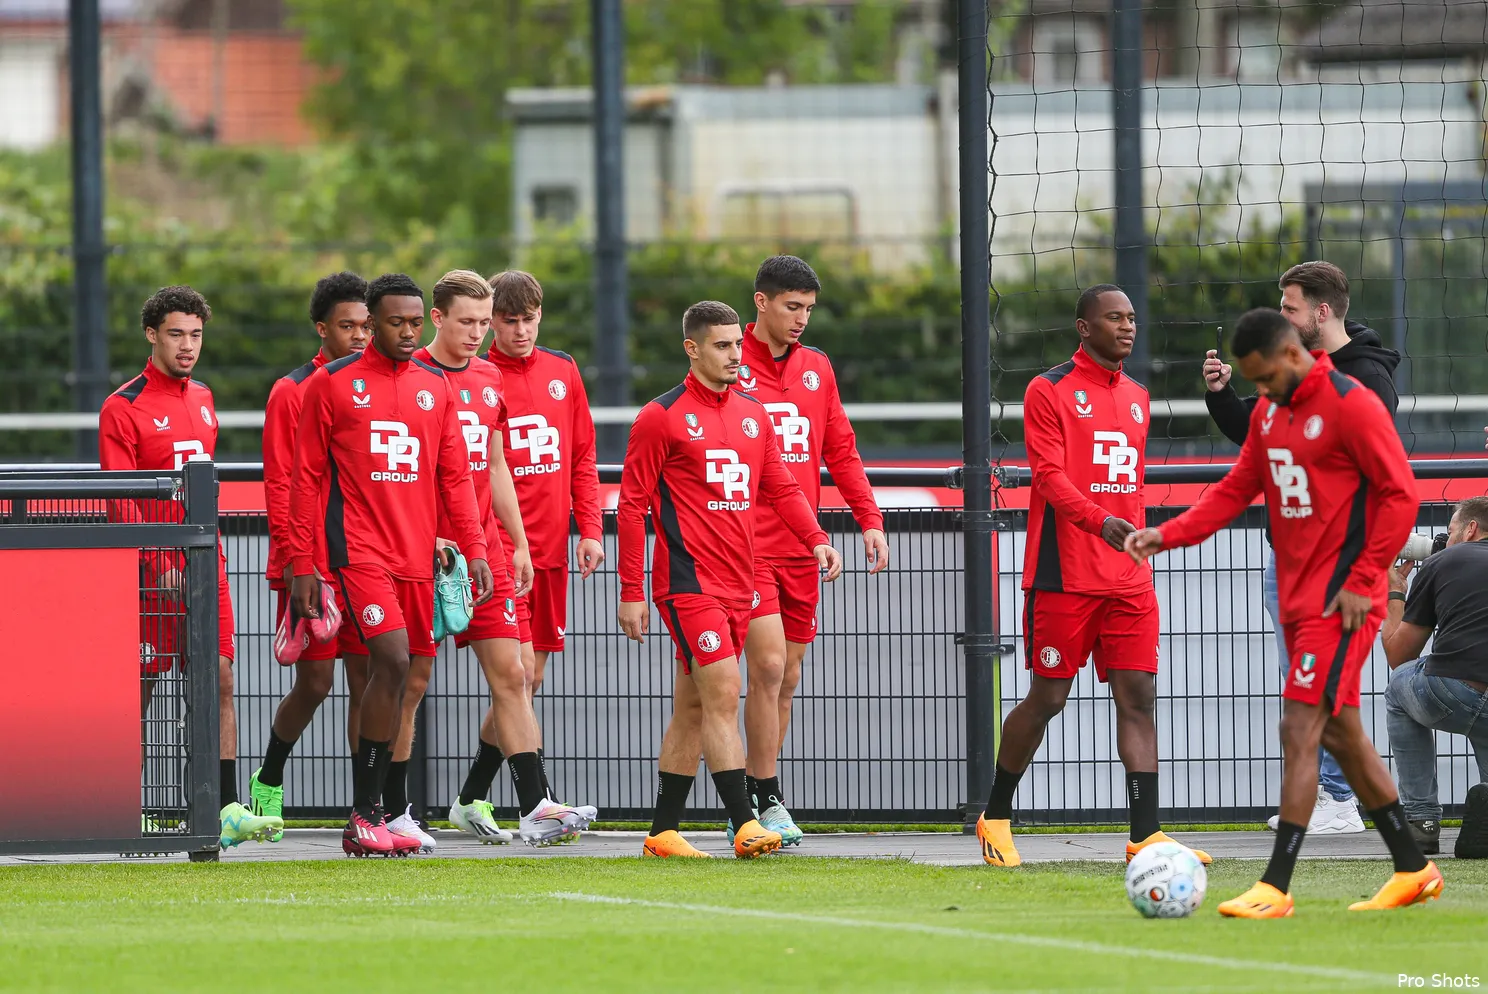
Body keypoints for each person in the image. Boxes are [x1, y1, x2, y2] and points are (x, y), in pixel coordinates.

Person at [1127, 307, 1441, 917]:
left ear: (1293, 354)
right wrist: (1166, 534)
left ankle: (1276, 885)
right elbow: (1233, 491)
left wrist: (1362, 578)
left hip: (1343, 605)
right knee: (1342, 733)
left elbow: (1401, 496)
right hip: (1300, 603)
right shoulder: (1271, 415)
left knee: (1299, 726)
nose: (1261, 393)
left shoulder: (1352, 403)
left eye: (1265, 377)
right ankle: (1413, 867)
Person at [977, 285, 1209, 869]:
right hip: (1066, 574)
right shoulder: (1048, 389)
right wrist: (1101, 523)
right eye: (1114, 318)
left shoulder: (1137, 394)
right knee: (1049, 697)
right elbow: (1048, 477)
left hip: (1129, 577)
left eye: (1132, 318)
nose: (1127, 327)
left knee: (1138, 697)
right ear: (1085, 328)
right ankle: (996, 815)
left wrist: (1126, 531)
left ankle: (1146, 833)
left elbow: (1124, 484)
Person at [617, 301, 844, 859]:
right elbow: (630, 507)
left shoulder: (752, 414)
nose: (734, 355)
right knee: (723, 694)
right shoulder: (660, 416)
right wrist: (630, 593)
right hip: (688, 583)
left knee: (693, 707)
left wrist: (816, 538)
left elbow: (783, 488)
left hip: (742, 581)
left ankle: (663, 832)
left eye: (736, 345)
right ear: (692, 349)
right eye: (722, 346)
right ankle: (745, 822)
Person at [288, 272, 494, 857]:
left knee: (401, 677)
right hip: (357, 554)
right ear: (372, 323)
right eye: (395, 322)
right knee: (392, 659)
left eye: (414, 322)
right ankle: (365, 814)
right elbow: (305, 479)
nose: (408, 333)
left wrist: (474, 549)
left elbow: (454, 476)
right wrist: (304, 562)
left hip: (417, 555)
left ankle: (376, 817)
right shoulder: (329, 385)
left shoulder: (436, 387)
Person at [1202, 260, 1400, 835]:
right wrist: (1222, 396)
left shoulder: (1363, 380)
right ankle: (1330, 800)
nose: (1280, 318)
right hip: (1290, 559)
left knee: (1320, 687)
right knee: (1307, 686)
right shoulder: (1300, 371)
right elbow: (1259, 438)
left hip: (1334, 561)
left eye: (1289, 308)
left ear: (1320, 312)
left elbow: (1377, 475)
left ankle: (1338, 802)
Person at [410, 270, 594, 847]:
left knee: (518, 676)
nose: (498, 331)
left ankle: (524, 803)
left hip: (496, 550)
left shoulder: (521, 375)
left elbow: (507, 468)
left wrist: (524, 541)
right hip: (427, 550)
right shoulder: (415, 374)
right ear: (440, 318)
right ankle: (386, 807)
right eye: (486, 322)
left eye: (510, 320)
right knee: (409, 679)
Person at [99, 284, 282, 849]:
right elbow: (119, 501)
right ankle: (113, 807)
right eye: (176, 333)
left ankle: (224, 807)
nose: (188, 345)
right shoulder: (122, 406)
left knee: (219, 680)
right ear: (151, 334)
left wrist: (197, 558)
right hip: (155, 577)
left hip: (209, 565)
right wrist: (159, 562)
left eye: (196, 335)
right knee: (141, 688)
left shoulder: (203, 397)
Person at [734, 255, 888, 847]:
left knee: (787, 676)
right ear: (762, 302)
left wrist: (867, 519)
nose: (801, 319)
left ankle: (755, 795)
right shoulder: (728, 357)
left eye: (808, 309)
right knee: (767, 666)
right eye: (792, 307)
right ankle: (761, 802)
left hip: (803, 545)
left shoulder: (817, 368)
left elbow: (841, 451)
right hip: (744, 546)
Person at [249, 272, 372, 841]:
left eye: (366, 325)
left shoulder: (380, 386)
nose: (360, 336)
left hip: (365, 561)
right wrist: (299, 564)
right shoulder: (291, 390)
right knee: (317, 682)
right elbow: (282, 483)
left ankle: (364, 808)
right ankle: (267, 783)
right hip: (312, 566)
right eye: (347, 326)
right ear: (322, 329)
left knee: (368, 681)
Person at [483, 271, 605, 799]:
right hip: (504, 551)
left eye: (528, 319)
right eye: (508, 321)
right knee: (520, 672)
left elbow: (582, 456)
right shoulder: (476, 375)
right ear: (491, 322)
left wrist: (591, 529)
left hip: (553, 551)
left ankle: (470, 797)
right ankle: (541, 801)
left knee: (529, 683)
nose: (520, 331)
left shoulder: (563, 370)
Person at [1381, 496, 1488, 859]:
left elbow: (1398, 654)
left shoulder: (1445, 561)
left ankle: (1421, 821)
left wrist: (1394, 591)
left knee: (1400, 688)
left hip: (1455, 692)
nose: (1445, 538)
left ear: (1470, 528)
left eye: (1450, 529)